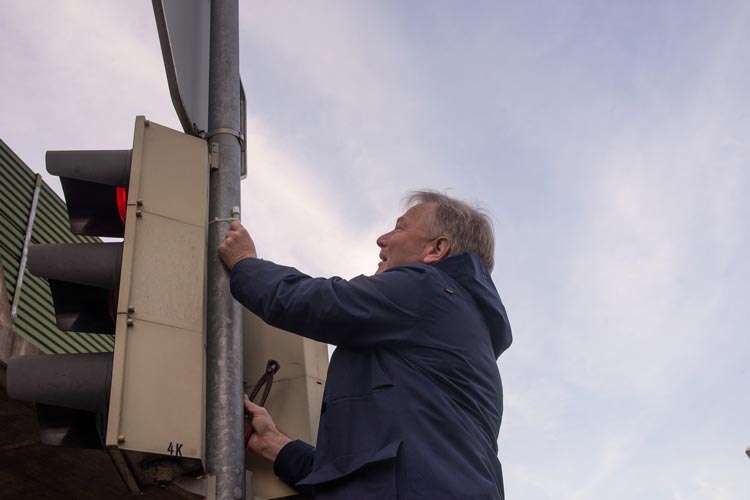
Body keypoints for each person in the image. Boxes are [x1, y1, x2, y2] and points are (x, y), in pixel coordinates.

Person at [218, 190, 512, 500]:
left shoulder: (427, 289)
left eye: (400, 228)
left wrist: (245, 264)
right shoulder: (453, 322)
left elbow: (319, 303)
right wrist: (276, 446)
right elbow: (366, 475)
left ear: (436, 249)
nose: (382, 240)